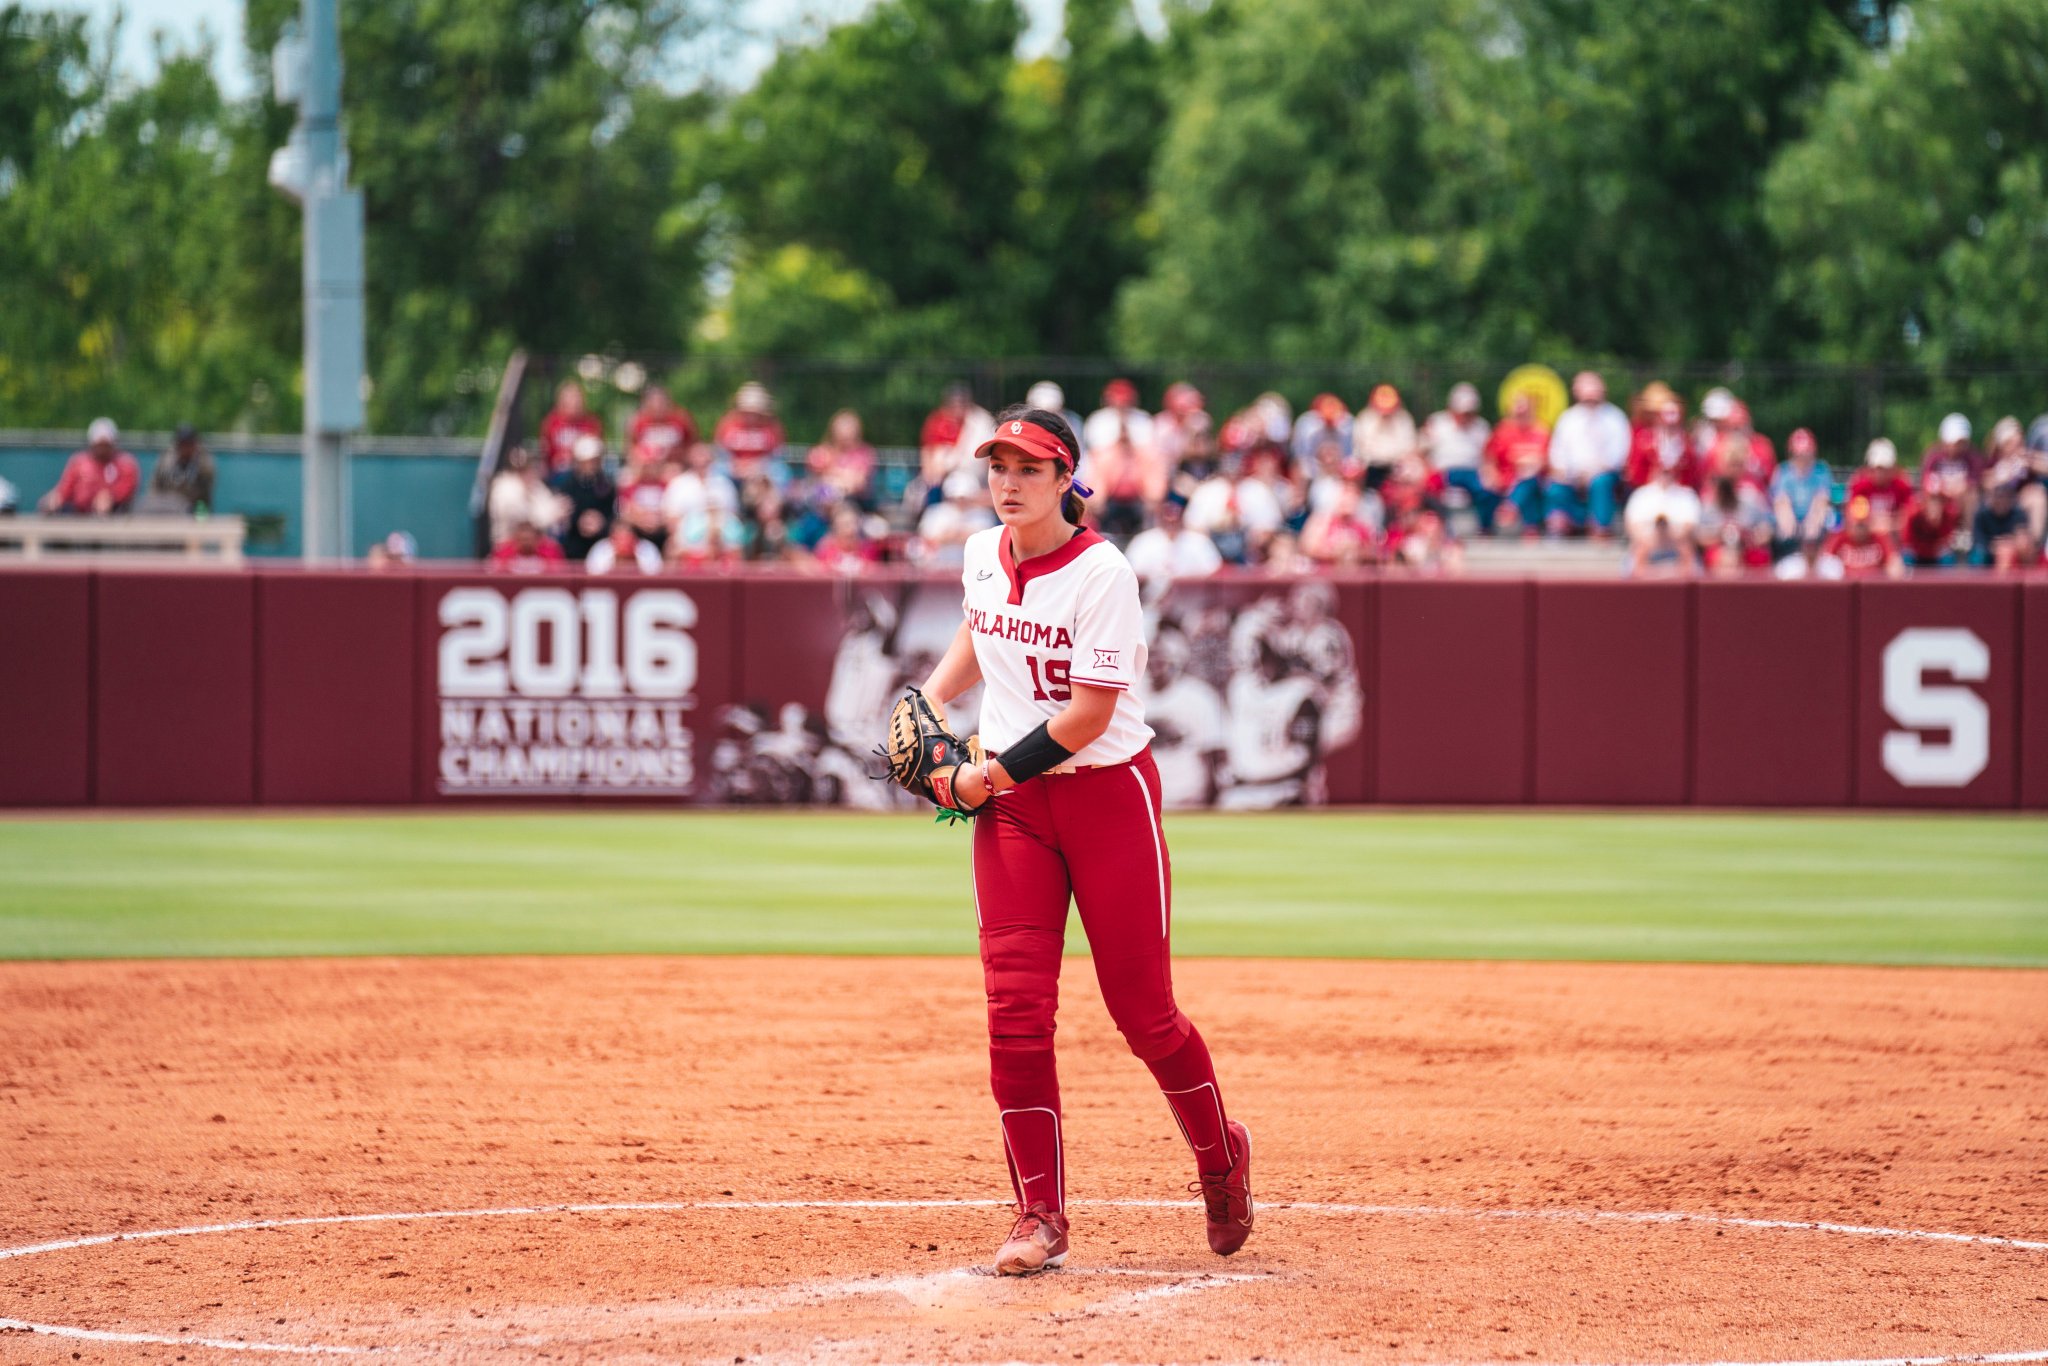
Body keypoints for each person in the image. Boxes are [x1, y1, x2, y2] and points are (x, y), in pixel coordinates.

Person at [909, 404, 1253, 1276]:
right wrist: (929, 697)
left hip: (1106, 800)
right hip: (1019, 815)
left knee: (1144, 1014)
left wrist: (984, 778)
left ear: (1068, 480)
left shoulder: (1104, 571)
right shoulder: (983, 553)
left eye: (1028, 469)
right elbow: (979, 635)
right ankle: (1039, 1216)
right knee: (1015, 1012)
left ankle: (1220, 1157)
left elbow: (1090, 716)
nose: (1008, 483)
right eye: (997, 467)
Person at [1544, 372, 1630, 537]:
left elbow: (1618, 455)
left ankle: (1600, 527)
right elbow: (1557, 453)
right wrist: (1565, 472)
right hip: (1572, 476)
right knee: (1555, 488)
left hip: (1604, 473)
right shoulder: (1567, 418)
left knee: (1601, 483)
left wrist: (1593, 472)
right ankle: (1564, 526)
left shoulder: (1615, 418)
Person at [1421, 382, 1495, 532]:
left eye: (1469, 412)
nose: (1466, 417)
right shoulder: (1437, 423)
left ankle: (1485, 527)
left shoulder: (1481, 427)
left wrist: (1489, 473)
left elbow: (1488, 457)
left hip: (1472, 472)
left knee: (1487, 492)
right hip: (1443, 471)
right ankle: (1440, 530)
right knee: (1430, 488)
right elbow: (1422, 451)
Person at [40, 418, 140, 515]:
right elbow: (64, 490)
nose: (102, 449)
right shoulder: (78, 463)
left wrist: (110, 497)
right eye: (99, 445)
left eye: (106, 445)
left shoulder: (126, 464)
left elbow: (126, 491)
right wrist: (56, 498)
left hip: (115, 513)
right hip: (78, 514)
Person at [1483, 392, 1550, 535]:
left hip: (1535, 483)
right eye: (1517, 408)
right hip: (1506, 482)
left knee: (1529, 480)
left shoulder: (1541, 431)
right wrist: (1491, 473)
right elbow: (1490, 457)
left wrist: (1527, 464)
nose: (1521, 412)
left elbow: (1544, 461)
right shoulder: (1503, 431)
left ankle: (1511, 507)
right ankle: (1531, 529)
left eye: (1524, 409)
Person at [549, 435, 617, 561]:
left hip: (600, 543)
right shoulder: (566, 484)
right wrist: (578, 521)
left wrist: (601, 523)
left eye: (595, 461)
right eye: (588, 461)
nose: (591, 465)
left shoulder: (607, 485)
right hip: (572, 543)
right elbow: (561, 517)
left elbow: (612, 514)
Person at [1768, 428, 1836, 553]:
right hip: (1790, 520)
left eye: (1806, 454)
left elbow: (1822, 499)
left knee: (1822, 520)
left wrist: (1812, 525)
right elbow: (1781, 501)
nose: (1803, 458)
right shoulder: (1783, 472)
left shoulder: (1821, 471)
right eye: (1799, 454)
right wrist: (1789, 526)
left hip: (1815, 520)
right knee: (1779, 527)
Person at [537, 380, 603, 474]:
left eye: (577, 398)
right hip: (558, 473)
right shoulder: (551, 423)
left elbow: (596, 454)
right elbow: (545, 452)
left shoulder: (591, 423)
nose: (575, 402)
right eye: (571, 399)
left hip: (584, 473)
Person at [147, 424, 216, 513]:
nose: (186, 448)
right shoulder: (166, 460)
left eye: (189, 444)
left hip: (193, 508)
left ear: (195, 444)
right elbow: (154, 487)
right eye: (182, 444)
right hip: (167, 507)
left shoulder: (204, 462)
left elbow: (205, 496)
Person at [627, 386, 696, 467]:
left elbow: (692, 444)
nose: (658, 406)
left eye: (661, 402)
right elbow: (631, 449)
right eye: (654, 402)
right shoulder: (638, 422)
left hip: (676, 466)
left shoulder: (681, 419)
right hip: (647, 468)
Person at [585, 520, 662, 574]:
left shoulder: (646, 548)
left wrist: (634, 558)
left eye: (627, 534)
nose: (623, 539)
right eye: (619, 535)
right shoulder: (602, 548)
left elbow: (655, 573)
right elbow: (593, 573)